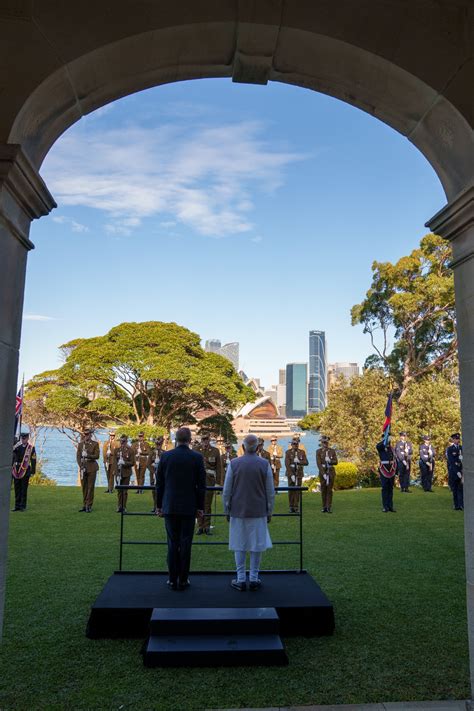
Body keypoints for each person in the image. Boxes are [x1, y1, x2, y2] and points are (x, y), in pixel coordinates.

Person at [222, 433, 275, 591]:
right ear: (258, 447)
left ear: (243, 447)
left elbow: (227, 490)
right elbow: (270, 491)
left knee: (239, 543)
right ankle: (253, 577)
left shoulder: (234, 463)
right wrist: (270, 510)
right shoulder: (264, 464)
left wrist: (227, 509)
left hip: (238, 510)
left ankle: (240, 578)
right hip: (258, 510)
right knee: (256, 544)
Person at [155, 427, 206, 590]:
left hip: (169, 506)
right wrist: (200, 507)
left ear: (176, 440)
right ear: (190, 440)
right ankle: (183, 579)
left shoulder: (166, 456)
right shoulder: (197, 458)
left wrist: (158, 505)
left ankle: (171, 579)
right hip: (189, 507)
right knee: (185, 544)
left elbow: (159, 484)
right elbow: (201, 486)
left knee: (172, 543)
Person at [196, 433, 222, 535]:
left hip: (209, 480)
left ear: (209, 439)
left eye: (207, 439)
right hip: (198, 481)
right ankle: (200, 526)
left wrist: (218, 482)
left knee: (207, 504)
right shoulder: (196, 449)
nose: (205, 441)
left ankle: (206, 527)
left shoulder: (215, 451)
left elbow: (219, 468)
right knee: (199, 504)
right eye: (203, 439)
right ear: (201, 440)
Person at [11, 431, 36, 511]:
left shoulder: (31, 448)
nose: (23, 440)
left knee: (23, 488)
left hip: (25, 469)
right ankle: (17, 506)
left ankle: (22, 506)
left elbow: (33, 459)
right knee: (17, 488)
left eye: (25, 438)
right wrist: (15, 446)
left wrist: (33, 471)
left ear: (28, 438)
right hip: (17, 469)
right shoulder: (17, 447)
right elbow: (11, 453)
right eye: (22, 438)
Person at [76, 429, 100, 513]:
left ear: (90, 435)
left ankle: (89, 505)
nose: (86, 436)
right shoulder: (80, 444)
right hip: (83, 467)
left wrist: (88, 455)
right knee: (84, 487)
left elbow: (97, 456)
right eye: (85, 434)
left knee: (90, 487)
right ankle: (84, 504)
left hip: (91, 467)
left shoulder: (95, 444)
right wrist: (81, 466)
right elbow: (78, 456)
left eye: (87, 434)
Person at [284, 438, 308, 513]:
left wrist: (299, 462)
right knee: (291, 490)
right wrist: (291, 475)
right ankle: (291, 506)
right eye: (294, 444)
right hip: (291, 473)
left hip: (299, 473)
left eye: (296, 444)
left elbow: (306, 462)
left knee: (297, 491)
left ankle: (296, 506)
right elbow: (287, 464)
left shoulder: (302, 452)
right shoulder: (288, 452)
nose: (295, 445)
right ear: (291, 444)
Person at [316, 435, 338, 513]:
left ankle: (328, 506)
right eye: (323, 442)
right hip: (323, 472)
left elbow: (336, 462)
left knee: (329, 490)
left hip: (331, 471)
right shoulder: (318, 451)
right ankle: (324, 506)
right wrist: (323, 473)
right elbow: (318, 463)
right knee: (323, 490)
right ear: (321, 443)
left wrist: (330, 461)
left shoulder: (332, 451)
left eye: (326, 442)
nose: (325, 443)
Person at [376, 436, 397, 512]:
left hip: (391, 470)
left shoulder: (391, 448)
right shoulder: (381, 447)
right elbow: (378, 446)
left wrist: (396, 471)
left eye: (389, 438)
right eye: (387, 438)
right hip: (384, 469)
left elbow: (395, 459)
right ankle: (385, 507)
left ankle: (390, 506)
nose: (389, 439)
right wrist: (384, 440)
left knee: (390, 488)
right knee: (385, 488)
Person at [115, 434, 135, 513]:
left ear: (126, 441)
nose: (122, 443)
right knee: (119, 491)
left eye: (123, 441)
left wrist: (124, 463)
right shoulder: (117, 450)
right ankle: (119, 506)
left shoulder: (130, 450)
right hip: (118, 473)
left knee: (125, 491)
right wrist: (116, 473)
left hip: (126, 473)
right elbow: (114, 462)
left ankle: (124, 506)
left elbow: (132, 462)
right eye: (121, 441)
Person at [147, 435, 165, 512]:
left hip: (161, 476)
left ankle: (161, 507)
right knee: (154, 491)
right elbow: (148, 464)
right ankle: (155, 506)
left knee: (162, 491)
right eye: (157, 444)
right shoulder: (152, 453)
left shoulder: (164, 453)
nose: (158, 446)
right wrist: (153, 471)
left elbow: (166, 464)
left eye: (159, 444)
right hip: (153, 475)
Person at [446, 432, 463, 511]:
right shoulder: (450, 449)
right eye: (456, 439)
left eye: (458, 439)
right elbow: (451, 462)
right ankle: (456, 505)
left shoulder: (461, 448)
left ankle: (461, 505)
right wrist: (457, 472)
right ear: (453, 440)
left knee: (461, 489)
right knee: (455, 489)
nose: (457, 440)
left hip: (461, 470)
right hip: (454, 472)